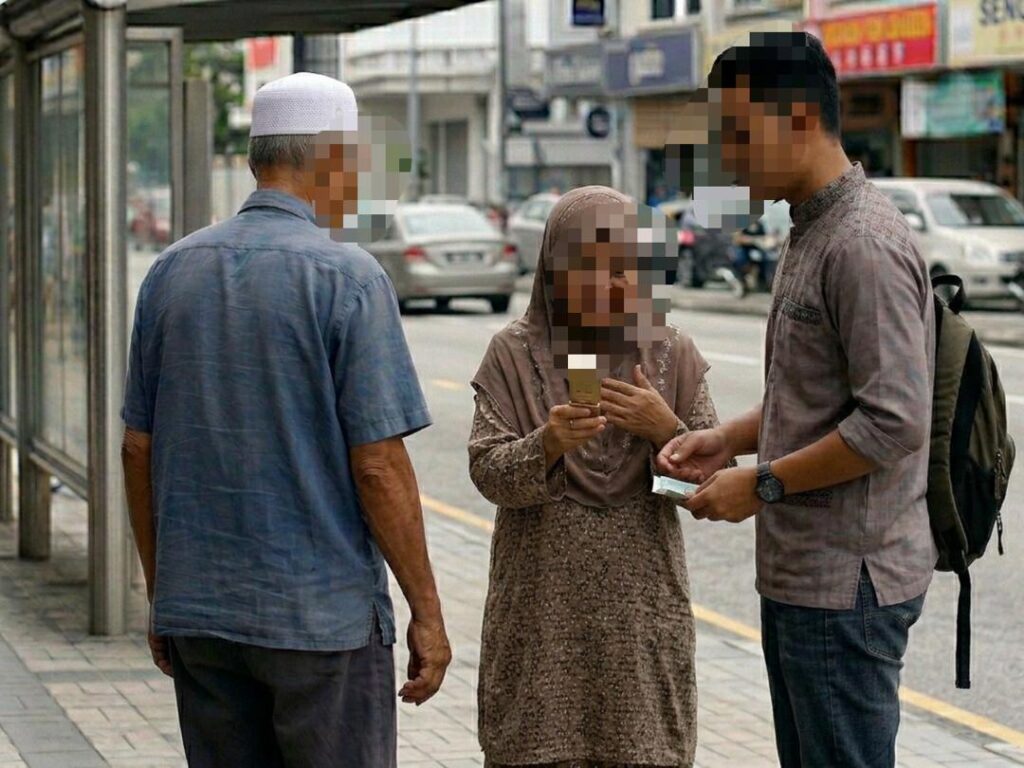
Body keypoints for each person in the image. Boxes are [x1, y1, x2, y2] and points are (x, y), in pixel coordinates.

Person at [121, 72, 451, 768]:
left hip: (202, 617)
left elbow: (136, 450)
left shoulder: (170, 271)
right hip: (320, 626)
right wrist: (427, 609)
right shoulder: (348, 278)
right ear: (331, 159)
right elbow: (377, 464)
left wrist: (164, 593)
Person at [657, 33, 936, 768]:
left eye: (740, 134)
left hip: (847, 586)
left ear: (801, 121)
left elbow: (894, 420)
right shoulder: (811, 226)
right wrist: (731, 440)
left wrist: (764, 482)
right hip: (809, 576)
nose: (728, 158)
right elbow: (817, 398)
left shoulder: (861, 243)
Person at [469, 186, 725, 767]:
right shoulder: (513, 353)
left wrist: (666, 429)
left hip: (641, 628)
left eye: (627, 267)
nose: (614, 284)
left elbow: (710, 493)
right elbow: (487, 472)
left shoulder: (670, 352)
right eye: (593, 267)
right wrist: (549, 444)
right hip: (539, 623)